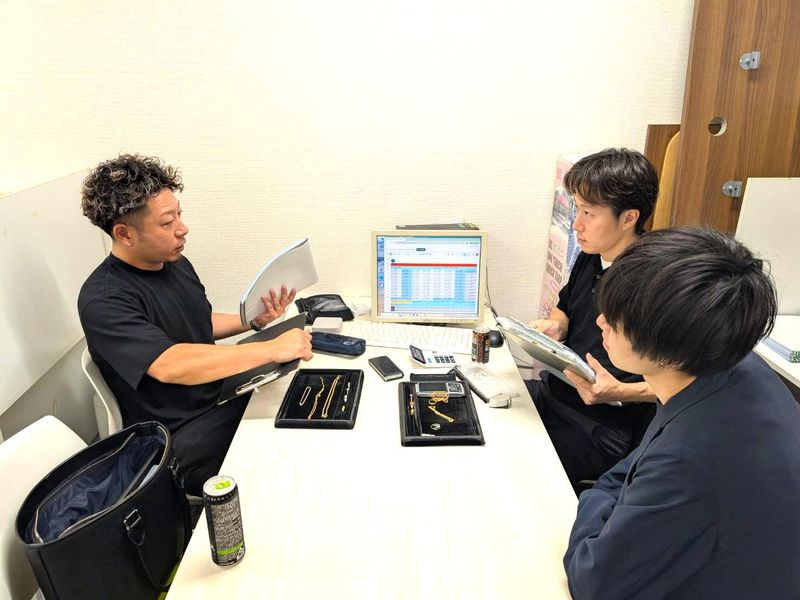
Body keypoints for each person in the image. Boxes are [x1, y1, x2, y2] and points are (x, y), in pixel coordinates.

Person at [564, 227, 800, 599]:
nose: (600, 322)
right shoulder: (731, 366)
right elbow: (631, 470)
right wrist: (610, 499)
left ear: (670, 348)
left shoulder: (692, 456)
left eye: (616, 320)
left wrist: (592, 500)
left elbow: (593, 581)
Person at [78, 154, 312, 495]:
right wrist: (271, 349)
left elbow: (198, 321)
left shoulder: (175, 264)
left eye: (179, 214)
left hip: (219, 396)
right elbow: (170, 365)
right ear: (124, 234)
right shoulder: (104, 300)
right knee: (290, 452)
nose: (182, 228)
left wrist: (251, 321)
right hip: (177, 436)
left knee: (306, 396)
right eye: (167, 222)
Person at [527, 148, 659, 486]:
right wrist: (557, 326)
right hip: (556, 392)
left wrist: (621, 391)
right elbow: (566, 307)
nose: (577, 225)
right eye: (577, 209)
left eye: (588, 212)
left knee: (514, 466)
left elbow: (684, 382)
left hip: (600, 426)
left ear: (629, 218)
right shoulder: (592, 253)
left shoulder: (654, 282)